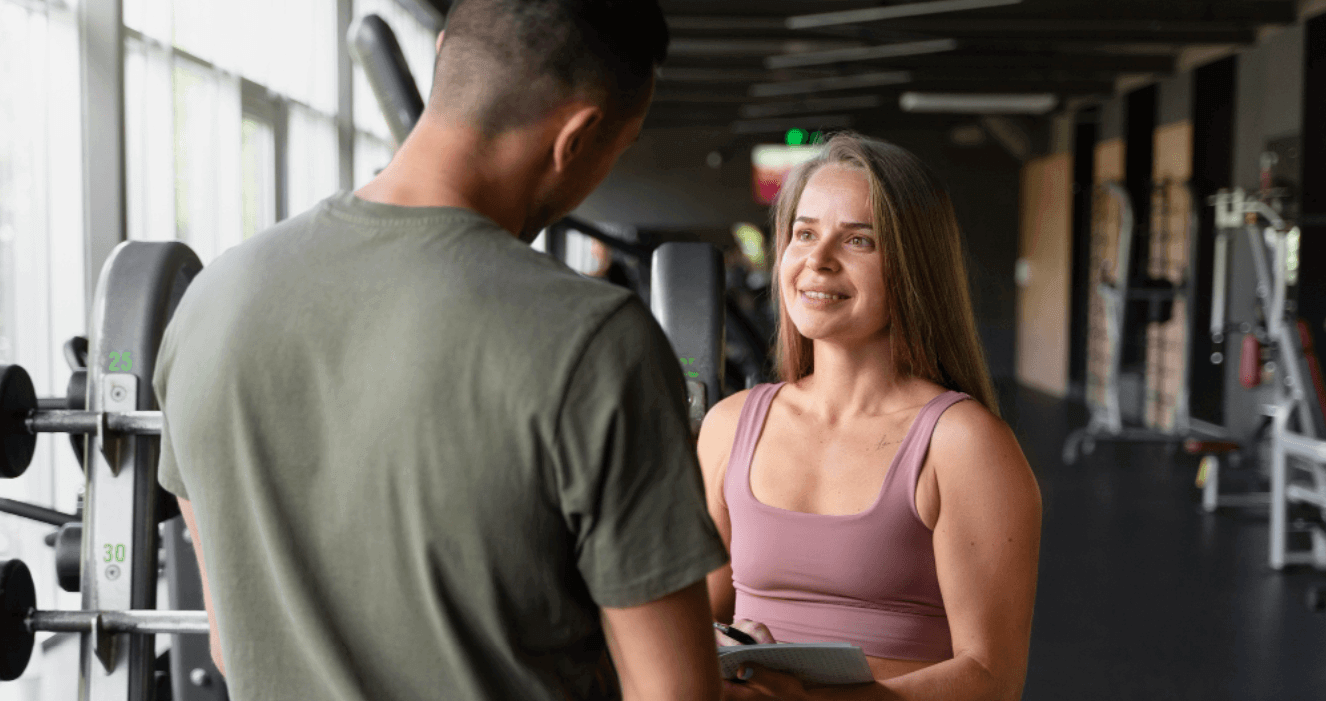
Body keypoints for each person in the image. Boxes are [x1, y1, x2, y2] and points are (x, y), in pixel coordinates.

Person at [152, 1, 729, 699]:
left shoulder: (208, 303)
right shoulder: (599, 340)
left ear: (445, 54)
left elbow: (229, 641)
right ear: (577, 136)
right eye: (620, 147)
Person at [699, 133, 1042, 700]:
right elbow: (695, 619)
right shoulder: (728, 426)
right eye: (804, 233)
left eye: (858, 240)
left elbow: (991, 676)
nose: (818, 260)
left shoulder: (961, 443)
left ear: (913, 266)